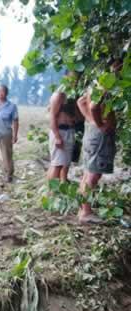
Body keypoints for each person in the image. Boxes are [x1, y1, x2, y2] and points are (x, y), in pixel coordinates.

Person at [76, 59, 121, 224]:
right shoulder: (105, 85)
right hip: (100, 136)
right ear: (115, 67)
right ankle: (86, 213)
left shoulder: (97, 83)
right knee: (94, 174)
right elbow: (94, 106)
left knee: (89, 172)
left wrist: (91, 121)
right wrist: (100, 124)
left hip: (93, 133)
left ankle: (83, 210)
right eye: (120, 66)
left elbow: (81, 101)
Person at [46, 79, 77, 182]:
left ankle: (58, 191)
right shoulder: (58, 95)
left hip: (69, 132)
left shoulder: (73, 94)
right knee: (57, 164)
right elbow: (52, 116)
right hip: (60, 132)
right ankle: (50, 193)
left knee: (64, 164)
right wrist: (58, 137)